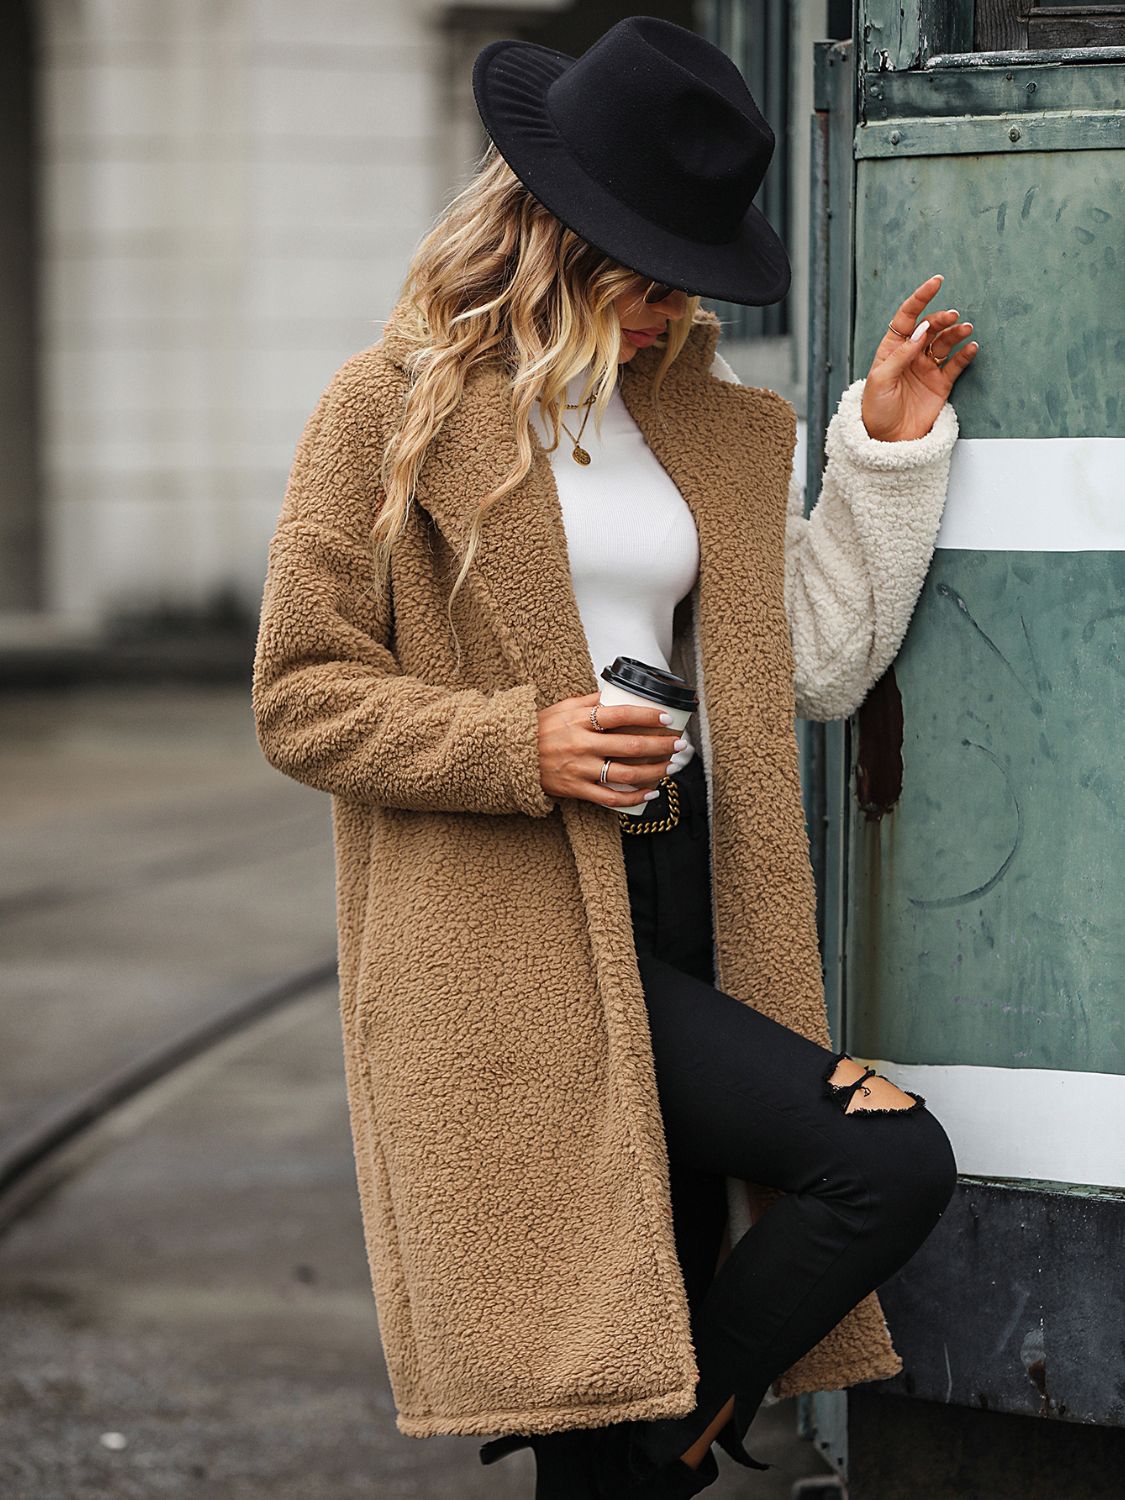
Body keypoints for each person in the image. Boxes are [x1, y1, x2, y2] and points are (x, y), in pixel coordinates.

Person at [252, 15, 979, 1498]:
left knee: (655, 1354)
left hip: (689, 896)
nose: (664, 312)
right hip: (508, 928)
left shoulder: (709, 428)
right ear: (548, 236)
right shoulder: (384, 412)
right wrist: (520, 744)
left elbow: (815, 666)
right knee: (862, 1173)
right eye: (643, 276)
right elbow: (301, 694)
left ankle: (678, 1431)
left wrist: (883, 456)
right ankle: (668, 1434)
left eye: (682, 280)